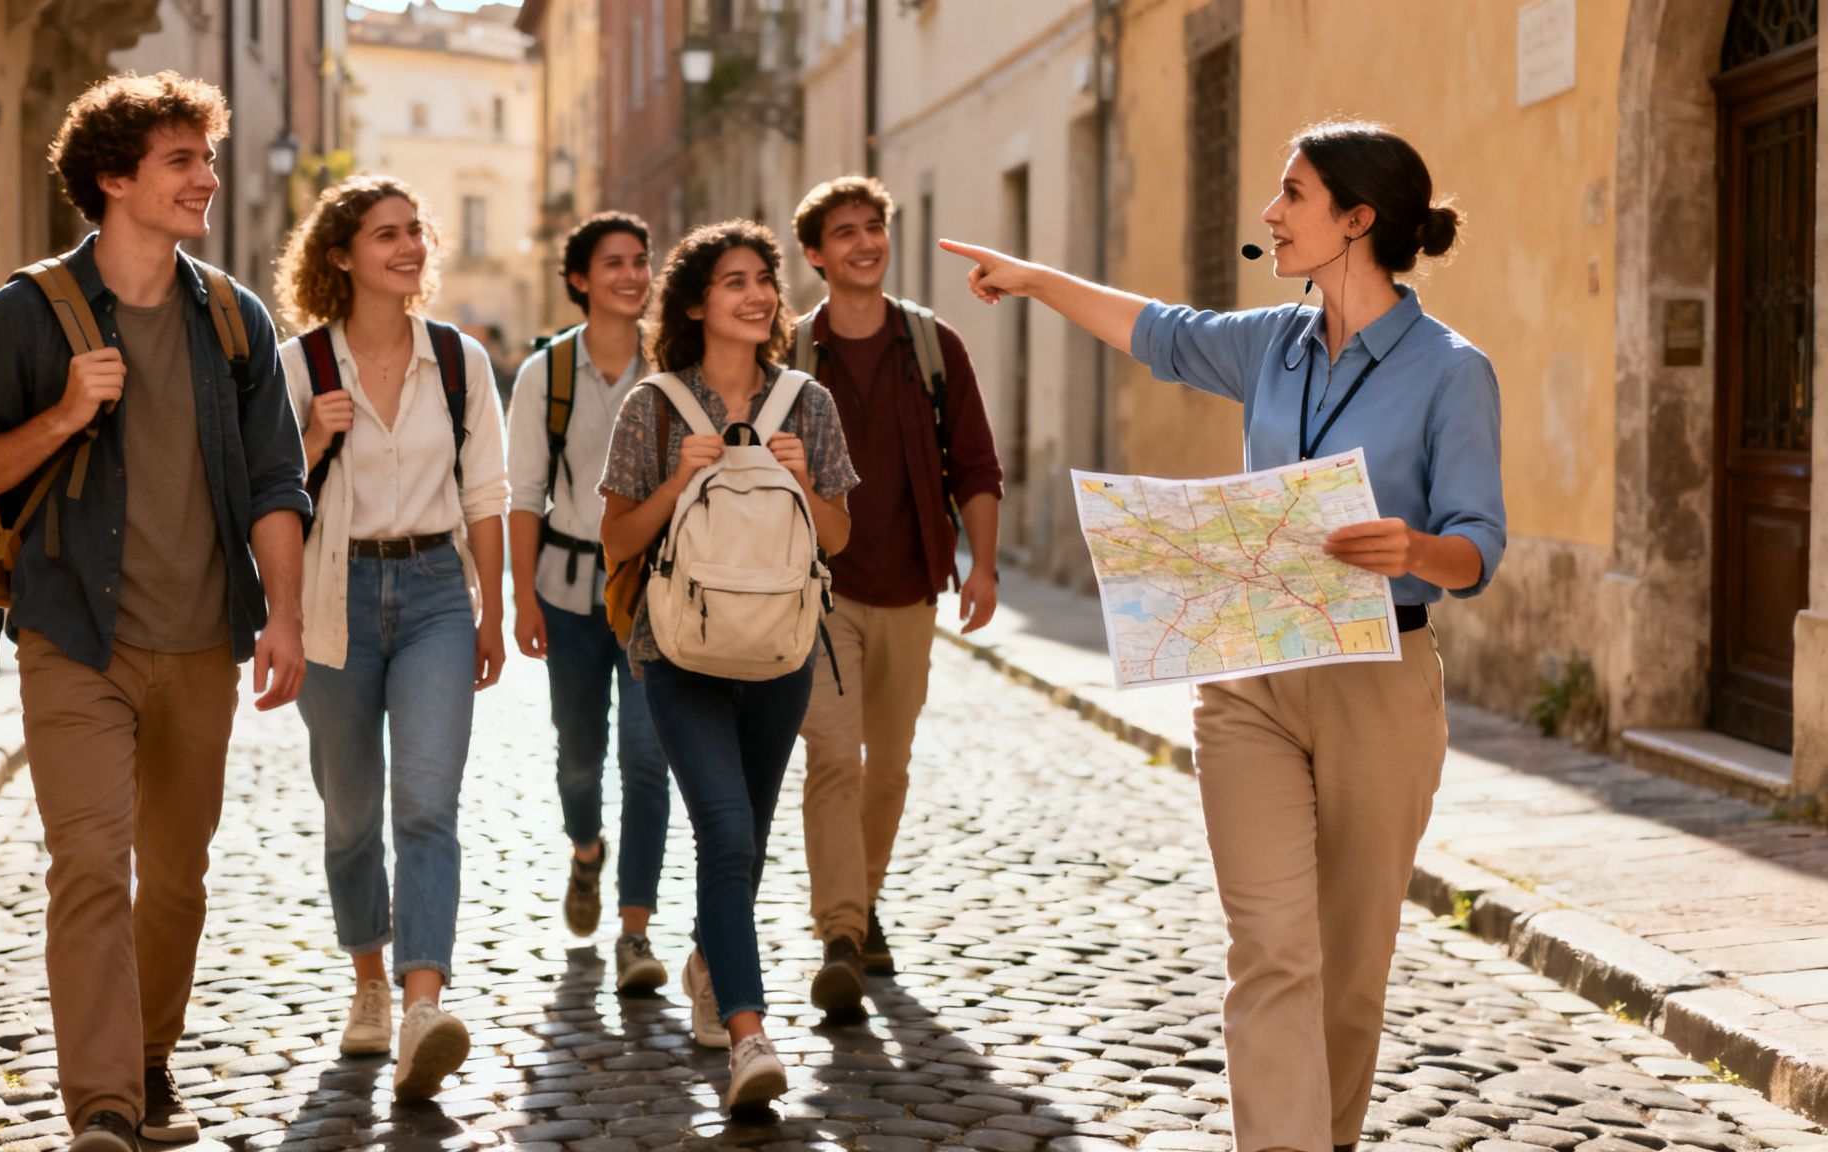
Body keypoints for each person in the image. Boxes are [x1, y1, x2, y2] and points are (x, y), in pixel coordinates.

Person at [941, 121, 1504, 1152]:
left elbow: (1479, 543)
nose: (1268, 214)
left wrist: (1415, 549)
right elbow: (1155, 328)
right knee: (1270, 948)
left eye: (1290, 195)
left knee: (1347, 960)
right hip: (1244, 679)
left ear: (1355, 220)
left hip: (1376, 681)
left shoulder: (1448, 371)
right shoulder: (1268, 344)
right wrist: (1032, 279)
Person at [0, 72, 309, 1152]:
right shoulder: (24, 314)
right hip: (73, 636)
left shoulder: (233, 318)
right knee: (90, 864)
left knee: (176, 877)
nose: (207, 178)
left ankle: (147, 1058)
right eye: (182, 160)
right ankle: (100, 1103)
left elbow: (279, 481)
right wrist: (61, 414)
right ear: (114, 177)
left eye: (205, 156)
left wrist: (282, 617)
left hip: (201, 640)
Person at [598, 219, 858, 1116]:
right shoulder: (654, 406)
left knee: (743, 834)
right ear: (698, 301)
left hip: (780, 650)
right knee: (726, 831)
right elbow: (616, 541)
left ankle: (713, 957)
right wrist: (675, 481)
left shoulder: (808, 405)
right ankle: (750, 1038)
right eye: (735, 281)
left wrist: (801, 481)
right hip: (678, 651)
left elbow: (837, 539)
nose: (756, 296)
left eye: (765, 282)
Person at [276, 175, 510, 1101]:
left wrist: (493, 604)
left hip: (433, 597)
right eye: (386, 235)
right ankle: (367, 983)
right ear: (341, 256)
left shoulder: (459, 361)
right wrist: (310, 441)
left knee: (426, 801)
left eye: (416, 232)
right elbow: (267, 498)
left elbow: (486, 490)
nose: (410, 247)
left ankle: (422, 1003)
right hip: (335, 594)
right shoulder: (300, 367)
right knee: (350, 811)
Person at [786, 176, 1004, 1019]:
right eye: (845, 232)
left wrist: (980, 566)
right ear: (816, 253)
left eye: (873, 228)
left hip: (913, 585)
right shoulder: (795, 355)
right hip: (821, 592)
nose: (864, 243)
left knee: (890, 765)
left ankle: (862, 901)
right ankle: (842, 933)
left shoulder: (933, 346)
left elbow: (975, 466)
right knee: (835, 758)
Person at [507, 212, 673, 992]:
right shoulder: (548, 372)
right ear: (579, 279)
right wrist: (520, 601)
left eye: (641, 262)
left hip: (655, 595)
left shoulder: (672, 365)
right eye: (614, 263)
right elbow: (522, 496)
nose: (633, 276)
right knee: (580, 760)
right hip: (569, 594)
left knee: (647, 760)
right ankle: (585, 851)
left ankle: (635, 931)